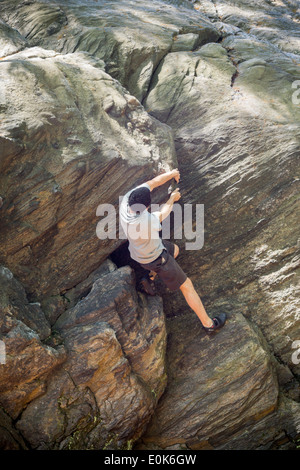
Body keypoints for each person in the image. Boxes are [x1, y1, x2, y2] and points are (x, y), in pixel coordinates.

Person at [119, 169, 226, 333]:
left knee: (175, 250)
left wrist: (171, 173)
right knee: (187, 286)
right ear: (146, 206)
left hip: (139, 253)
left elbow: (153, 183)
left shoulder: (127, 199)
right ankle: (209, 324)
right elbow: (163, 212)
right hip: (155, 258)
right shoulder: (145, 221)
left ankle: (148, 277)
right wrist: (172, 199)